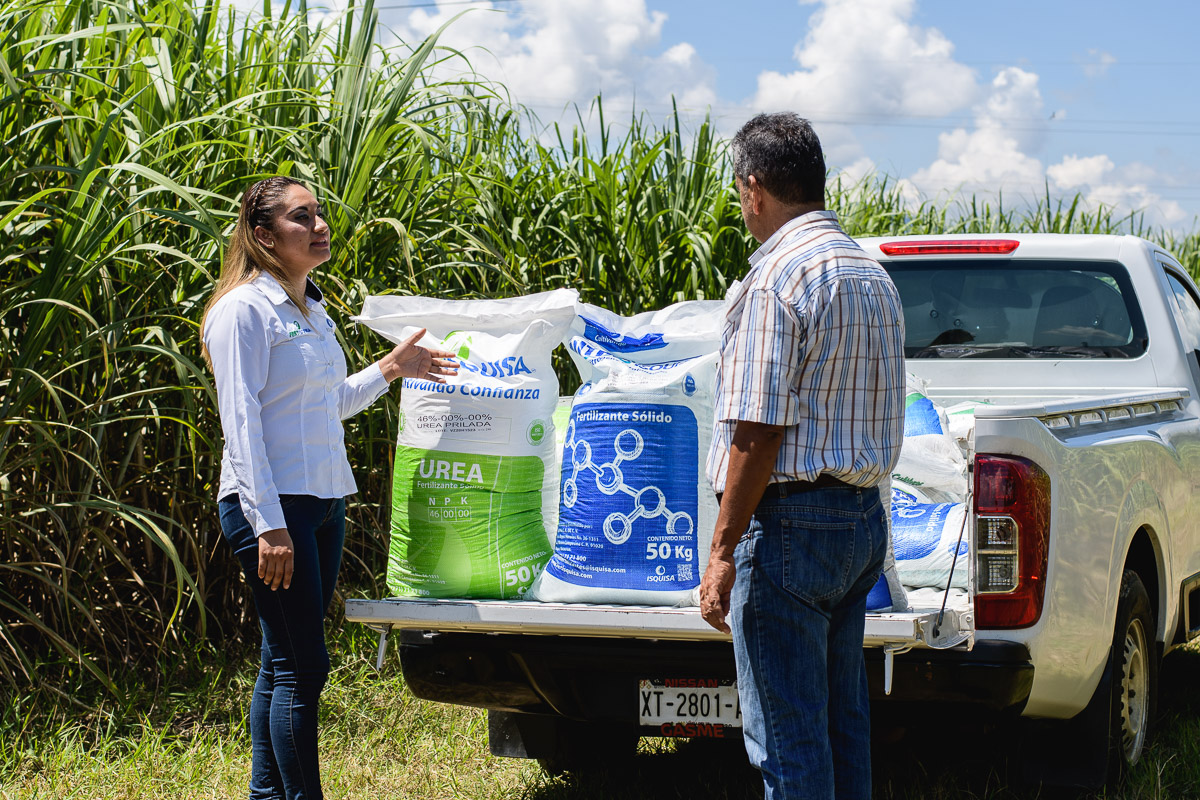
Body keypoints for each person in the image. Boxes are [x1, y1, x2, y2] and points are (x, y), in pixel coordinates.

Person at [200, 176, 457, 800]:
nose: (319, 226)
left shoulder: (312, 310)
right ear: (263, 236)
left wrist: (391, 369)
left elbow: (326, 406)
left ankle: (268, 796)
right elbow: (242, 424)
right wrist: (269, 525)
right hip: (271, 507)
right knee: (304, 665)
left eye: (319, 214)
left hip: (320, 502)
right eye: (300, 217)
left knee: (283, 658)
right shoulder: (244, 311)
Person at [698, 114, 906, 800]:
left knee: (788, 745)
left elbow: (758, 432)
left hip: (789, 527)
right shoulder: (871, 276)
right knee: (842, 728)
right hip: (861, 520)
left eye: (738, 192)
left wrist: (724, 548)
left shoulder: (777, 279)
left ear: (754, 190)